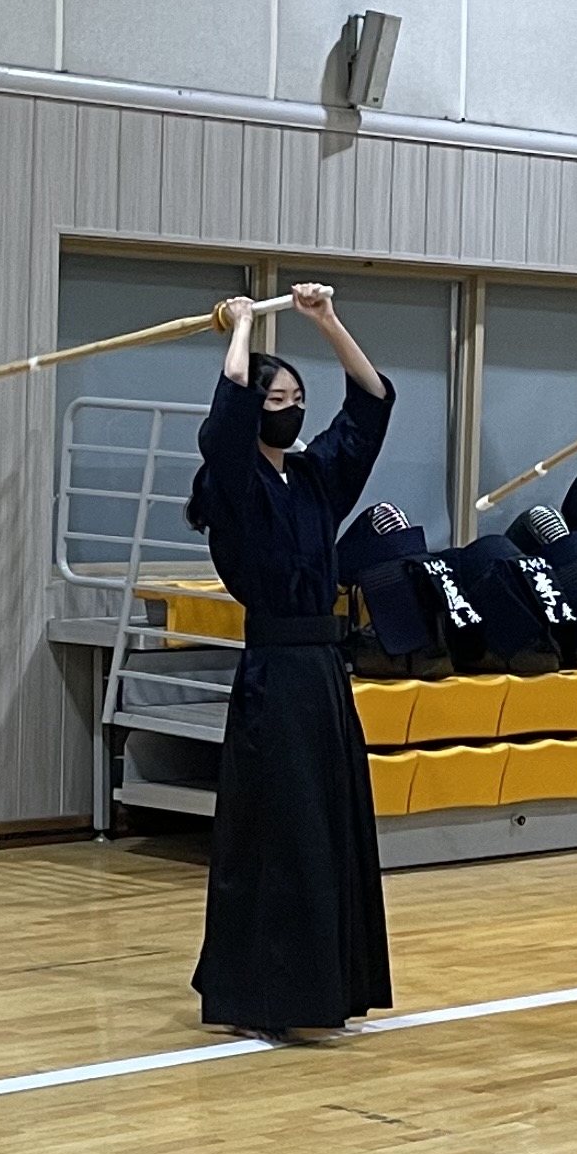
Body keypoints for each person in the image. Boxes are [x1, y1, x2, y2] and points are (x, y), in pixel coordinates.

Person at [189, 285, 394, 1038]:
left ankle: (325, 987)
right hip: (273, 675)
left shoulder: (312, 479)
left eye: (298, 398)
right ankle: (268, 995)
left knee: (328, 829)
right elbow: (224, 424)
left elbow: (371, 404)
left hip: (324, 676)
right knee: (282, 833)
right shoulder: (233, 485)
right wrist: (242, 327)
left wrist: (327, 322)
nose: (292, 408)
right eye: (278, 398)